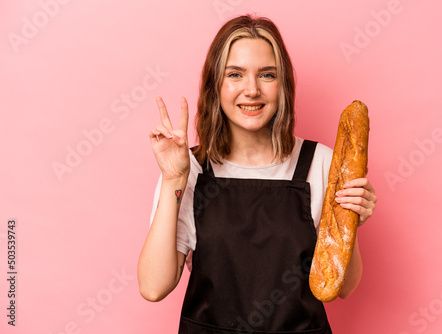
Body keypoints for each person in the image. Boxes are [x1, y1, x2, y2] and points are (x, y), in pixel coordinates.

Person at [137, 14, 377, 333]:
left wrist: (353, 222)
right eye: (235, 74)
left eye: (266, 74)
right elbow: (154, 287)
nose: (252, 90)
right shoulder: (188, 167)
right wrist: (172, 180)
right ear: (215, 85)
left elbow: (344, 288)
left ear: (283, 85)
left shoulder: (320, 163)